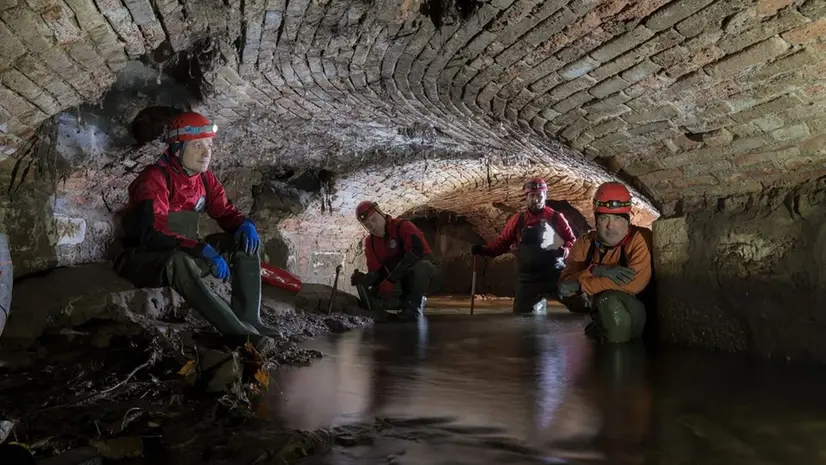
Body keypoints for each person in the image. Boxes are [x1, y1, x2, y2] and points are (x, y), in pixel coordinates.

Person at [113, 111, 275, 348]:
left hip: (188, 252)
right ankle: (239, 334)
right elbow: (150, 234)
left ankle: (250, 319)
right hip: (145, 258)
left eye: (209, 145)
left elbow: (225, 211)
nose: (206, 153)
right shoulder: (154, 179)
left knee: (245, 240)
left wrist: (244, 224)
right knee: (178, 260)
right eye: (197, 145)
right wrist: (199, 248)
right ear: (177, 149)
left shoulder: (204, 179)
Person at [557, 181, 654, 344]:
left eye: (617, 217)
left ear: (628, 218)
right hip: (600, 314)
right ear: (596, 220)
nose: (611, 226)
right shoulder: (584, 244)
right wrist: (595, 270)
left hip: (637, 315)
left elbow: (634, 284)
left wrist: (582, 285)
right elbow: (564, 288)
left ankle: (620, 354)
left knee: (608, 300)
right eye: (604, 218)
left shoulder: (639, 239)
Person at [470, 177, 577, 314]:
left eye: (539, 195)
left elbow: (573, 242)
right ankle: (538, 303)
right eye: (532, 196)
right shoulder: (518, 220)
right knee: (521, 315)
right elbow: (502, 243)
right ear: (526, 197)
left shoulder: (556, 217)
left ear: (545, 196)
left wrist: (565, 251)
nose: (536, 199)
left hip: (555, 274)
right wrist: (484, 250)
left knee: (582, 307)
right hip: (529, 279)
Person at [350, 201, 443, 322]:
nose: (372, 226)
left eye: (373, 220)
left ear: (381, 213)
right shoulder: (370, 242)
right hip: (400, 279)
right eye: (367, 225)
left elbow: (416, 253)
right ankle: (403, 304)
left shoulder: (403, 226)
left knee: (420, 267)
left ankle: (413, 307)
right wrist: (364, 279)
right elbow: (377, 272)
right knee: (377, 297)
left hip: (428, 275)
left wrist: (390, 279)